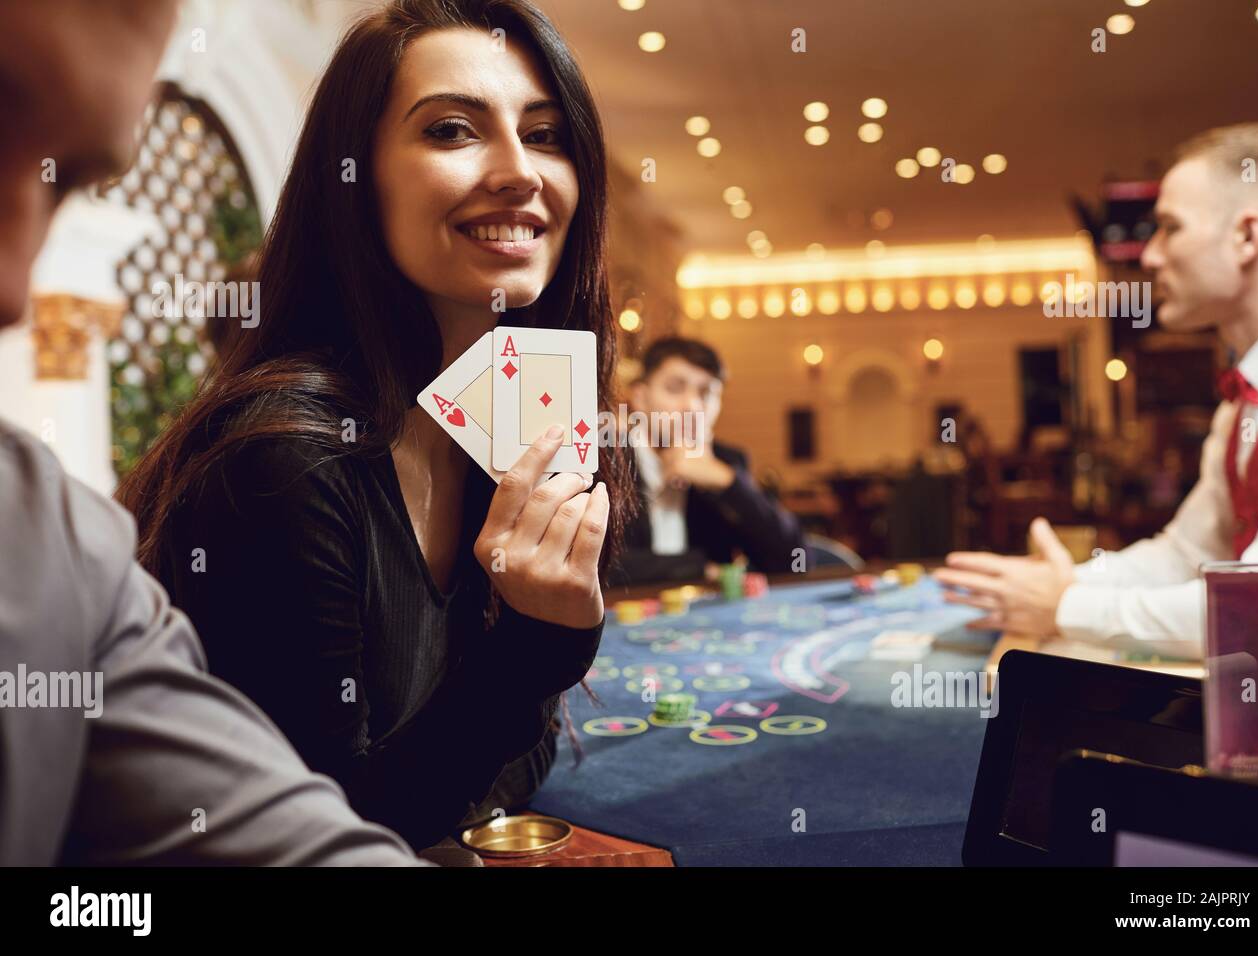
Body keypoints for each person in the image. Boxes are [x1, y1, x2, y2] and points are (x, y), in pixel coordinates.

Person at [116, 0, 633, 851]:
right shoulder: (285, 458)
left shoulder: (503, 425)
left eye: (544, 135)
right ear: (354, 179)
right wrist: (537, 649)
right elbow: (325, 837)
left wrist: (526, 667)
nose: (519, 171)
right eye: (453, 131)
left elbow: (506, 769)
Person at [0, 0, 428, 865]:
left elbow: (300, 843)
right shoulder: (278, 455)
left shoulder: (51, 545)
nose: (14, 288)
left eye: (65, 181)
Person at [937, 122, 1258, 655]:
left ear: (1247, 237)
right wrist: (1057, 586)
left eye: (1170, 228)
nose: (1149, 256)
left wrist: (1064, 607)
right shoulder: (1243, 403)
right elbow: (1184, 555)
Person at [611, 336, 804, 586]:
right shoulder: (607, 460)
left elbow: (796, 561)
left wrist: (729, 483)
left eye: (706, 393)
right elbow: (601, 569)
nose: (692, 406)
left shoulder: (726, 463)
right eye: (674, 388)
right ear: (640, 396)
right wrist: (701, 568)